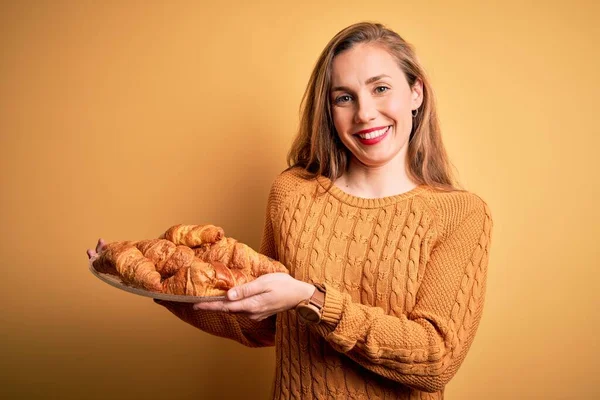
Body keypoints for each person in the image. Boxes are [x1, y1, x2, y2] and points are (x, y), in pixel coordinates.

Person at [88, 22, 493, 399]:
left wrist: (312, 299)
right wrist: (159, 286)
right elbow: (266, 323)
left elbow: (436, 359)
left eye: (381, 88)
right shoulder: (292, 193)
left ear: (416, 93)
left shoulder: (460, 214)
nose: (365, 113)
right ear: (329, 110)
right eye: (344, 97)